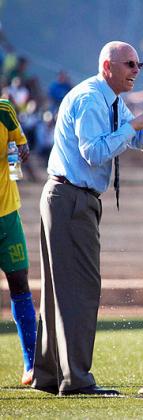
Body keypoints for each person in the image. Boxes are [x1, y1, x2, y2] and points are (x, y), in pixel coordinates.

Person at [31, 41, 143, 397]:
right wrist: (133, 126)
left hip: (69, 198)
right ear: (106, 66)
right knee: (80, 291)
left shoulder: (108, 98)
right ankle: (76, 380)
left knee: (59, 292)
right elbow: (94, 150)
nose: (136, 70)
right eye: (129, 64)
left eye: (139, 64)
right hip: (70, 198)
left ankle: (49, 375)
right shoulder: (89, 98)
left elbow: (135, 139)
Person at [0, 99, 36, 386]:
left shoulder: (4, 110)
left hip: (7, 215)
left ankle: (32, 363)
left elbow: (20, 147)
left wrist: (19, 152)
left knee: (20, 283)